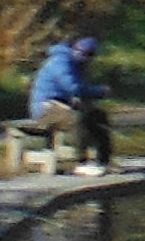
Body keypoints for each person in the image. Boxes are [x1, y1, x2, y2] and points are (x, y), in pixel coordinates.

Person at [25, 31, 115, 169]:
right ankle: (81, 162)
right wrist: (100, 91)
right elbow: (73, 88)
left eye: (90, 55)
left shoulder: (77, 65)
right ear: (75, 49)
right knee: (78, 119)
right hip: (45, 108)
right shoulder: (61, 62)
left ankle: (104, 161)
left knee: (99, 116)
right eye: (83, 53)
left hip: (62, 105)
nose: (86, 57)